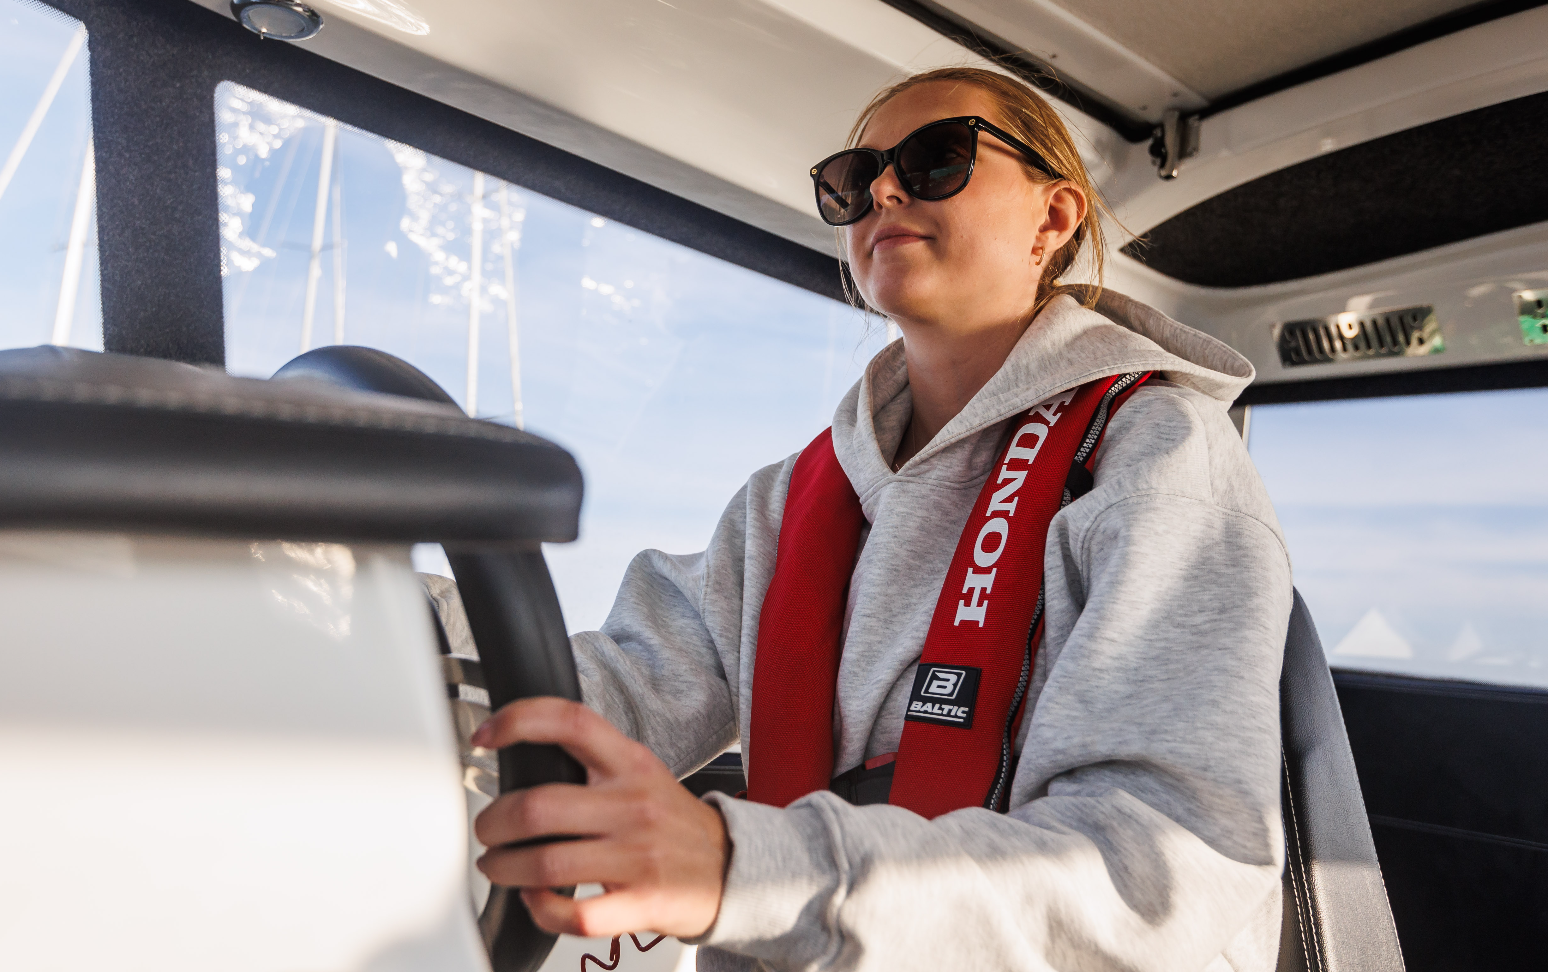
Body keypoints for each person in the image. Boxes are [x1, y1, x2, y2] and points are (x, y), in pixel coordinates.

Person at [461, 66, 1293, 971]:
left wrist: (752, 872)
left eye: (938, 158)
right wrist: (366, 618)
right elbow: (614, 684)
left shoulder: (1159, 457)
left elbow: (1166, 874)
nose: (885, 190)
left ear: (1052, 220)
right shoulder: (788, 502)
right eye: (854, 181)